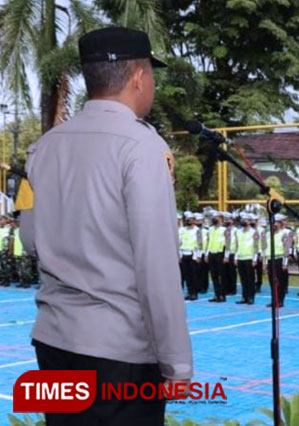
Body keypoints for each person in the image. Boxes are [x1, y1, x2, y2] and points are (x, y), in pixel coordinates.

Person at [19, 27, 191, 426]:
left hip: (54, 343)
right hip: (119, 355)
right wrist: (177, 364)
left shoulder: (44, 147)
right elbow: (157, 267)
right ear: (138, 77)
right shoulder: (142, 147)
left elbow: (30, 240)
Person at [263, 214, 292, 307]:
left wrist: (285, 263)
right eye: (273, 223)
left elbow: (287, 248)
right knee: (272, 282)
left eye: (276, 223)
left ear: (280, 224)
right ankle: (274, 300)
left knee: (280, 281)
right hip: (270, 259)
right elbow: (265, 248)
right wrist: (265, 261)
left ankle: (280, 300)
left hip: (280, 259)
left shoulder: (285, 233)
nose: (274, 225)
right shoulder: (268, 234)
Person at [234, 213, 260, 305]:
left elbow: (256, 246)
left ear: (249, 221)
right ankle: (244, 297)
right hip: (241, 257)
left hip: (249, 258)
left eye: (246, 220)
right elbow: (237, 245)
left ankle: (251, 297)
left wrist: (255, 258)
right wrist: (236, 257)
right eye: (243, 220)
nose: (244, 221)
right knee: (243, 279)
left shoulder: (254, 232)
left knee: (250, 279)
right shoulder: (238, 231)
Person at [206, 212, 229, 303]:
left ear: (221, 219)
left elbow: (228, 243)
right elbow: (209, 241)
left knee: (221, 275)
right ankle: (216, 294)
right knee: (213, 275)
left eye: (217, 217)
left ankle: (222, 295)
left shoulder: (224, 230)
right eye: (214, 217)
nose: (215, 219)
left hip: (220, 253)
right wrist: (207, 253)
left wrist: (226, 256)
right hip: (212, 253)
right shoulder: (210, 229)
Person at [180, 212, 203, 301]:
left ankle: (194, 293)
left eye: (191, 219)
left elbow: (200, 244)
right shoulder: (183, 230)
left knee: (194, 275)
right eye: (188, 219)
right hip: (184, 253)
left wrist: (198, 256)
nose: (189, 221)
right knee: (187, 275)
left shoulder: (197, 230)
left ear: (194, 220)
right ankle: (189, 292)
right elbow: (180, 242)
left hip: (193, 254)